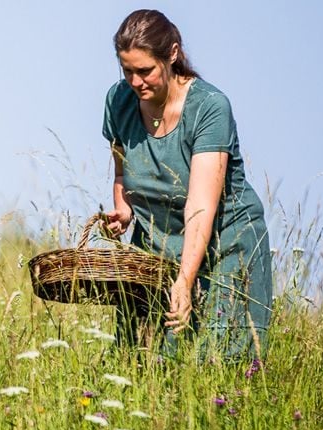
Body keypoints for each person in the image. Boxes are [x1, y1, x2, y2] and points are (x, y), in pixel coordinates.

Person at [102, 9, 272, 360]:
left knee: (217, 367)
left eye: (145, 70)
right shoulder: (118, 102)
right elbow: (123, 171)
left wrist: (184, 280)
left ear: (173, 55)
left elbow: (200, 205)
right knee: (144, 362)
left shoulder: (209, 108)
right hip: (159, 248)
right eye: (127, 71)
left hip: (224, 249)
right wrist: (123, 207)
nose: (135, 82)